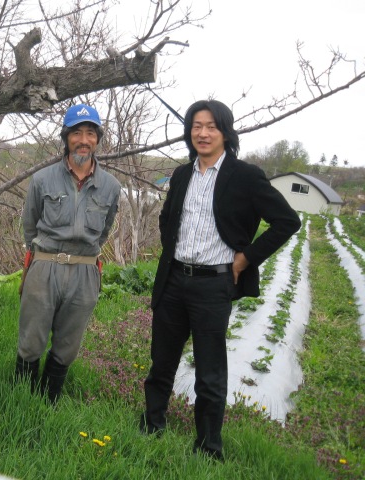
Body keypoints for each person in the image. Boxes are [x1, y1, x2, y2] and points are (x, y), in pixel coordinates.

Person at [140, 100, 301, 460]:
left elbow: (287, 221)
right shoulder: (182, 174)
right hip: (174, 279)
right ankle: (151, 425)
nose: (203, 133)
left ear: (226, 132)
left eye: (211, 126)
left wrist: (245, 257)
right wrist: (172, 251)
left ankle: (209, 446)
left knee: (210, 370)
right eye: (196, 125)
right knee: (161, 361)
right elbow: (168, 219)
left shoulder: (245, 176)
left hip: (214, 285)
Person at [14, 104, 121, 404]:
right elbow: (30, 225)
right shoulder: (42, 179)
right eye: (76, 133)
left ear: (98, 139)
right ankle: (21, 403)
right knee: (31, 341)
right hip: (44, 266)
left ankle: (49, 403)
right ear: (66, 138)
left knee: (68, 346)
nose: (83, 140)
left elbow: (105, 229)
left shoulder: (111, 186)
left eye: (90, 133)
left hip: (86, 271)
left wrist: (84, 257)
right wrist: (41, 259)